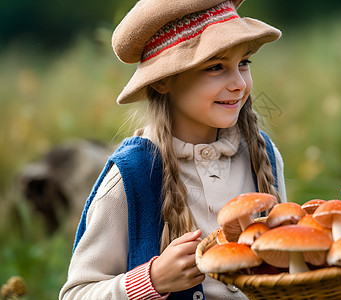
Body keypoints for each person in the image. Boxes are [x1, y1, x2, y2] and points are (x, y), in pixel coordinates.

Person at [59, 0, 286, 299]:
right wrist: (152, 279)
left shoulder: (263, 154)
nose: (239, 83)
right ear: (164, 80)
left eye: (243, 63)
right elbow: (76, 293)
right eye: (216, 67)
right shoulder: (132, 176)